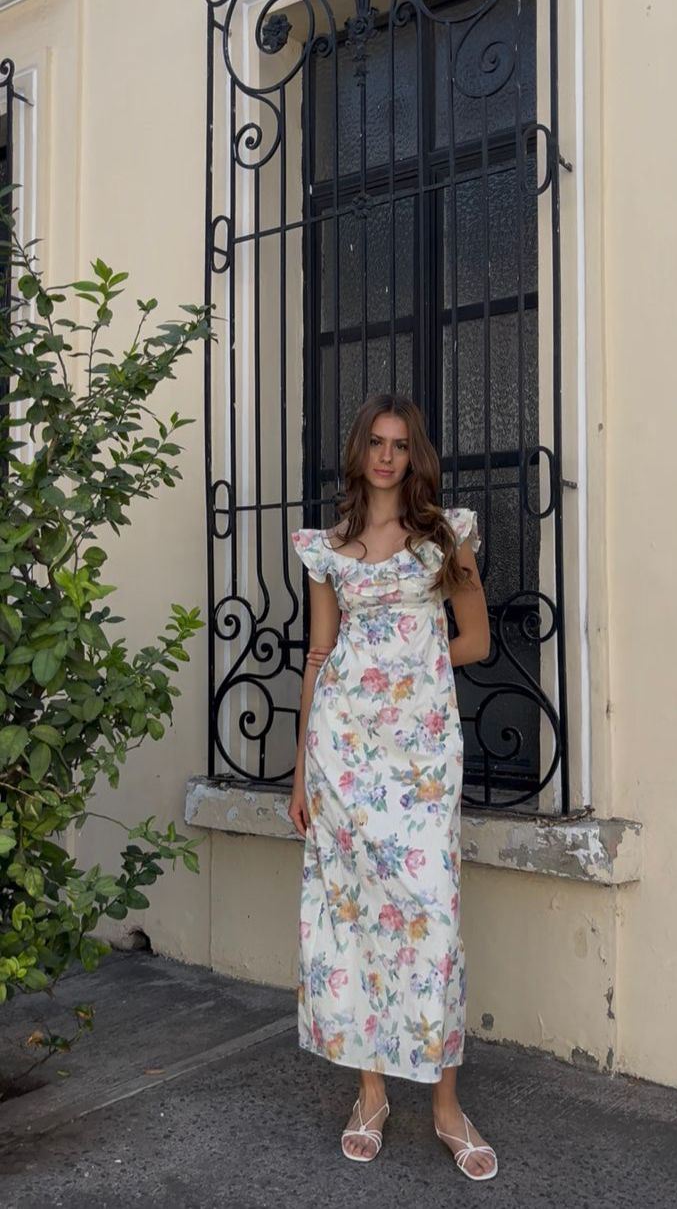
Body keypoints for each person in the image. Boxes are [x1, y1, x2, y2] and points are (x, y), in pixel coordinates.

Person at [289, 393, 497, 1181]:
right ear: (359, 451)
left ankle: (446, 1105)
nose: (386, 455)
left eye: (400, 444)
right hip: (342, 755)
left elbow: (476, 638)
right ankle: (371, 1094)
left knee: (432, 916)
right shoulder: (330, 549)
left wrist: (405, 664)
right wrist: (301, 769)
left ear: (415, 456)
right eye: (375, 442)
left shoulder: (445, 537)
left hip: (420, 757)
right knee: (355, 919)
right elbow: (319, 655)